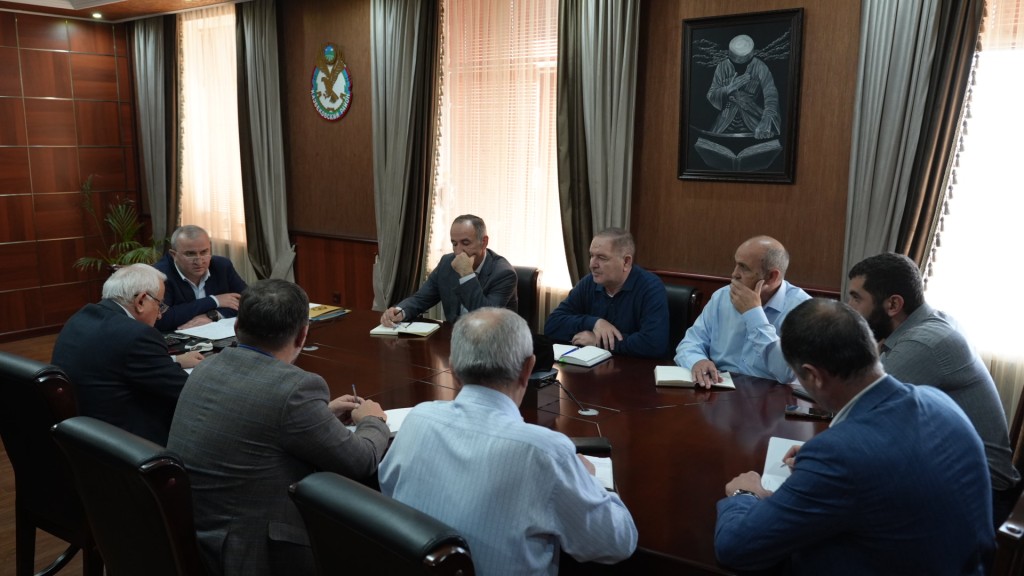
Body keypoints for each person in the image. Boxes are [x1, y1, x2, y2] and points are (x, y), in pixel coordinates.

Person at [714, 299, 993, 574]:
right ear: (872, 346)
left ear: (813, 376)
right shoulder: (939, 401)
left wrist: (745, 494)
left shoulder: (840, 456)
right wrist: (818, 466)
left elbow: (735, 547)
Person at [379, 308, 638, 574]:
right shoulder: (546, 453)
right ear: (528, 368)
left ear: (453, 369)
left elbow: (388, 491)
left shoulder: (418, 419)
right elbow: (617, 542)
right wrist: (590, 480)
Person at [167, 279, 390, 576]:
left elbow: (258, 422)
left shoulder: (205, 367)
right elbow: (360, 462)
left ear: (237, 327)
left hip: (191, 536)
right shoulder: (295, 388)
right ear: (302, 334)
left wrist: (320, 415)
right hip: (250, 552)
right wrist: (373, 420)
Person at [847, 252, 1020, 525]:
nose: (849, 308)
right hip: (956, 474)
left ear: (893, 304)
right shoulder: (930, 323)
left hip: (980, 495)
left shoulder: (924, 343)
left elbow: (860, 413)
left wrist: (817, 454)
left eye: (857, 298)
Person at [51, 264, 203, 445]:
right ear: (141, 301)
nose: (160, 315)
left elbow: (111, 358)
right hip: (125, 441)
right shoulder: (138, 335)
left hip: (83, 431)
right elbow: (184, 391)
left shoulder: (81, 317)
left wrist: (174, 360)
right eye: (159, 305)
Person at [675, 235, 809, 387]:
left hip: (771, 395)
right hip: (719, 389)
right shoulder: (722, 296)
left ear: (772, 277)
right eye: (736, 264)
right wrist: (697, 361)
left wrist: (754, 314)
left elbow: (787, 373)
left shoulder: (803, 310)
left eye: (744, 268)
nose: (734, 274)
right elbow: (690, 343)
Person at [544, 228, 669, 358]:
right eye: (591, 256)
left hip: (635, 368)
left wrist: (599, 342)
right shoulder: (589, 283)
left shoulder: (650, 288)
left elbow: (654, 344)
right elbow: (552, 325)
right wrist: (594, 323)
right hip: (591, 365)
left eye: (602, 258)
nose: (592, 265)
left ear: (626, 262)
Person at [380, 214, 517, 326]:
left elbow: (486, 319)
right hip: (455, 339)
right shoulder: (446, 263)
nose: (458, 251)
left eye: (465, 243)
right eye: (454, 244)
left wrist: (466, 274)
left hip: (494, 343)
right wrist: (399, 311)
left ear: (484, 242)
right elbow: (421, 298)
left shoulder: (503, 273)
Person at [154, 225, 247, 332]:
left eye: (204, 252)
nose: (199, 261)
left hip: (217, 334)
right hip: (177, 337)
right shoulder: (159, 275)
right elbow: (160, 319)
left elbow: (249, 303)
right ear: (174, 255)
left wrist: (213, 316)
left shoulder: (222, 266)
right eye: (190, 254)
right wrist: (214, 300)